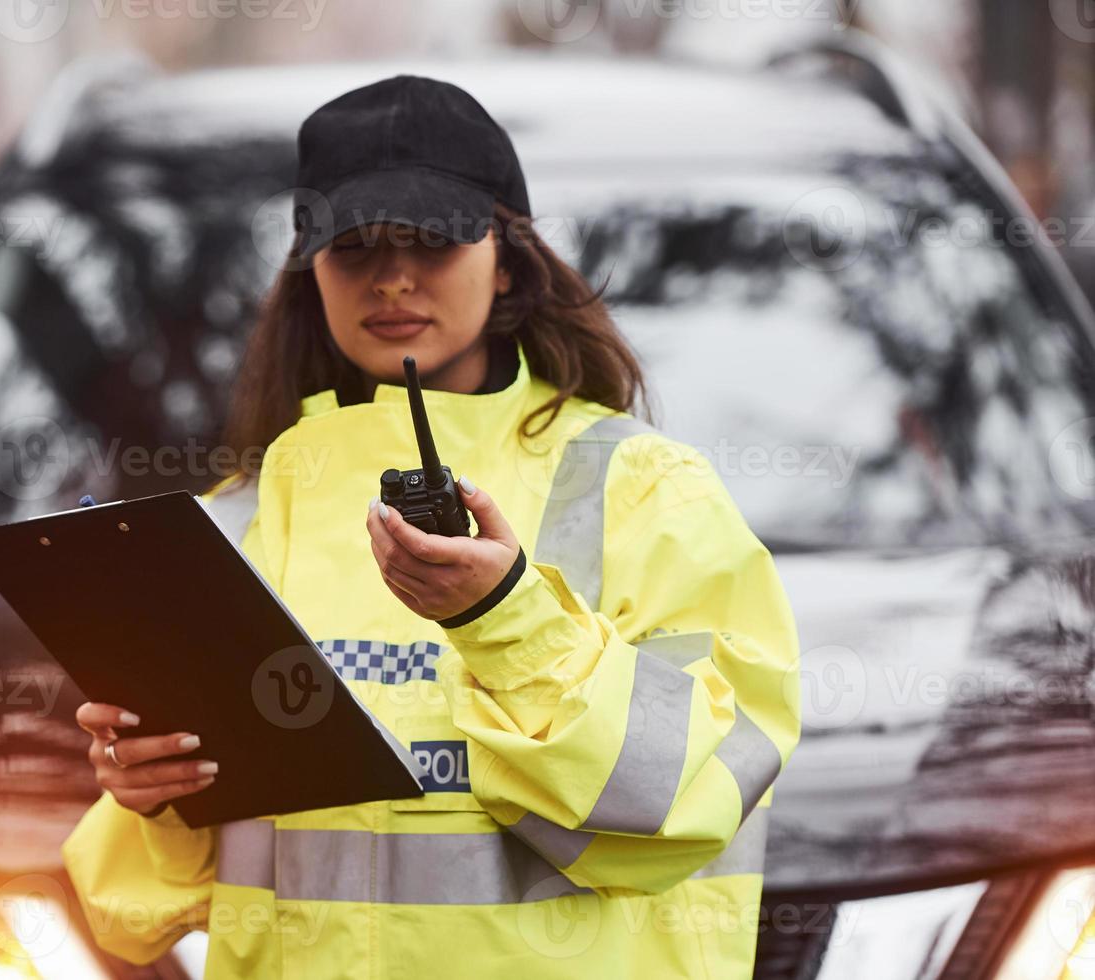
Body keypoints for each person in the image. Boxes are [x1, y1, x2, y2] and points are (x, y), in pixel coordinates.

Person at [61, 74, 800, 978]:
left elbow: (682, 808)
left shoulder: (647, 491)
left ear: (510, 259)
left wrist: (503, 618)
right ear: (309, 269)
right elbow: (132, 915)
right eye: (354, 245)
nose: (393, 277)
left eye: (432, 240)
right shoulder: (242, 515)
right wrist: (152, 796)